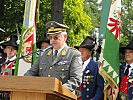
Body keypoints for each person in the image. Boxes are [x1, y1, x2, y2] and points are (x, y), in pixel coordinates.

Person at [24, 21, 83, 92]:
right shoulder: (43, 54)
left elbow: (76, 79)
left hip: (62, 96)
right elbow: (31, 73)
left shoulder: (73, 54)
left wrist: (59, 90)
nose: (52, 41)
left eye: (55, 38)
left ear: (65, 37)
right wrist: (23, 82)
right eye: (50, 37)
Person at [0, 35, 18, 100]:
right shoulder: (1, 61)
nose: (10, 50)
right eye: (8, 47)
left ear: (17, 51)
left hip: (12, 94)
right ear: (5, 50)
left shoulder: (19, 63)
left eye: (13, 48)